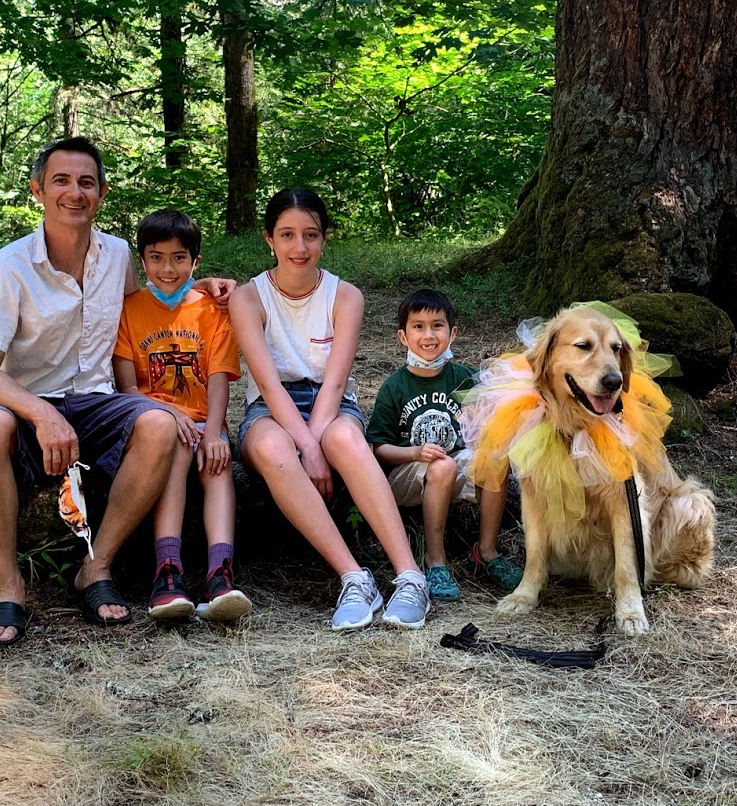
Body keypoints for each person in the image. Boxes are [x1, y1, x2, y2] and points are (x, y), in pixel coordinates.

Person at [0, 137, 234, 647]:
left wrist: (204, 286)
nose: (75, 192)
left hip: (100, 400)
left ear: (102, 193)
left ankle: (96, 566)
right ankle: (9, 587)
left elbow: (151, 306)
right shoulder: (7, 268)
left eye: (86, 182)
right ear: (37, 190)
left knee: (159, 423)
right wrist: (41, 413)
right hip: (28, 400)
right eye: (61, 181)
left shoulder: (117, 255)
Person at [228, 187, 430, 631]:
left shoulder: (346, 296)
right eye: (287, 235)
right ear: (269, 239)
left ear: (325, 238)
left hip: (332, 402)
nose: (299, 247)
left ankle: (411, 577)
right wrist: (305, 445)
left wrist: (318, 441)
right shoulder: (247, 298)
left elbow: (336, 381)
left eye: (310, 235)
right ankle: (354, 578)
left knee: (343, 438)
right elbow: (265, 383)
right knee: (273, 450)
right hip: (271, 405)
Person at [112, 209, 249, 622]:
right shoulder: (130, 309)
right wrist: (172, 415)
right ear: (142, 260)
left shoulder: (212, 311)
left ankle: (220, 573)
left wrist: (215, 432)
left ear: (196, 262)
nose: (167, 268)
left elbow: (220, 377)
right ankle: (167, 572)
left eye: (178, 258)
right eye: (156, 257)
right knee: (178, 446)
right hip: (156, 420)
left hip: (206, 419)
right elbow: (128, 387)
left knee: (217, 462)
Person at [367, 289, 523, 601]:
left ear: (453, 333)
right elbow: (378, 448)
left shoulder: (465, 378)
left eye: (437, 326)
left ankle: (486, 552)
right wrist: (413, 452)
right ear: (403, 336)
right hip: (406, 475)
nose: (428, 335)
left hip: (454, 469)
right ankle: (435, 561)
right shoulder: (394, 387)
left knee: (494, 457)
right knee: (442, 465)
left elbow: (494, 408)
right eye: (418, 326)